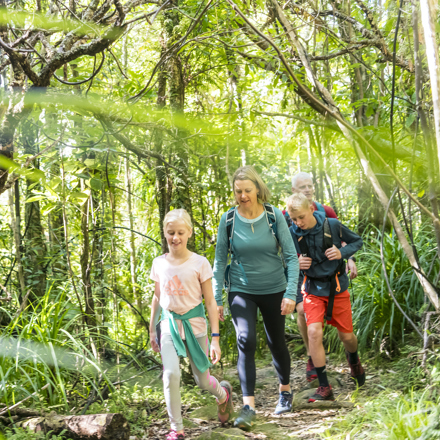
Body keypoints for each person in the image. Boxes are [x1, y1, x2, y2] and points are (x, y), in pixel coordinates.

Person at [212, 166, 299, 430]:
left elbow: (291, 257)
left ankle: (284, 390)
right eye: (238, 191)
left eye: (248, 190)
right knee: (245, 339)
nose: (243, 196)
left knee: (276, 343)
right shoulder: (228, 220)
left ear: (258, 189)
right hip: (241, 289)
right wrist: (216, 299)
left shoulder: (273, 216)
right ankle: (248, 406)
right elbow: (219, 261)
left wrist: (291, 293)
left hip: (274, 287)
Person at [150, 209, 233, 440]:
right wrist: (152, 331)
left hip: (195, 325)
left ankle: (223, 394)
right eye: (170, 233)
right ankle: (176, 429)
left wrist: (215, 339)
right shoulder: (159, 263)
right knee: (171, 374)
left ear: (189, 233)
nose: (175, 238)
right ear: (165, 233)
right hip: (168, 324)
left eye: (180, 232)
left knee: (203, 381)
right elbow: (157, 297)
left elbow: (210, 302)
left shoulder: (200, 263)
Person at [287, 193, 365, 401]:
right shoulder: (292, 233)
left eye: (301, 217)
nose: (298, 223)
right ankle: (324, 386)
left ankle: (354, 360)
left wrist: (342, 253)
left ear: (312, 209)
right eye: (294, 219)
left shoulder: (332, 225)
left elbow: (357, 241)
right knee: (313, 332)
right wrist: (295, 263)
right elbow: (283, 260)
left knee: (346, 336)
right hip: (312, 288)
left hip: (337, 288)